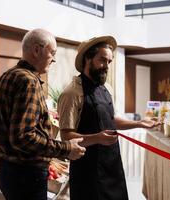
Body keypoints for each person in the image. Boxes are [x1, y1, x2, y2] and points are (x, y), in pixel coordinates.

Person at [57, 36, 160, 200]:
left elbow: (111, 120)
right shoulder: (72, 93)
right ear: (88, 59)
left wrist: (139, 123)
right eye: (102, 60)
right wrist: (97, 138)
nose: (106, 66)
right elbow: (66, 137)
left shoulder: (106, 89)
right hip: (87, 170)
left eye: (109, 62)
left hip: (112, 165)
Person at [0, 28, 86, 200]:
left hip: (7, 171)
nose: (54, 59)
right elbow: (23, 137)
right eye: (52, 53)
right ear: (36, 50)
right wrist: (66, 148)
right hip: (26, 176)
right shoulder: (29, 82)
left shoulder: (6, 76)